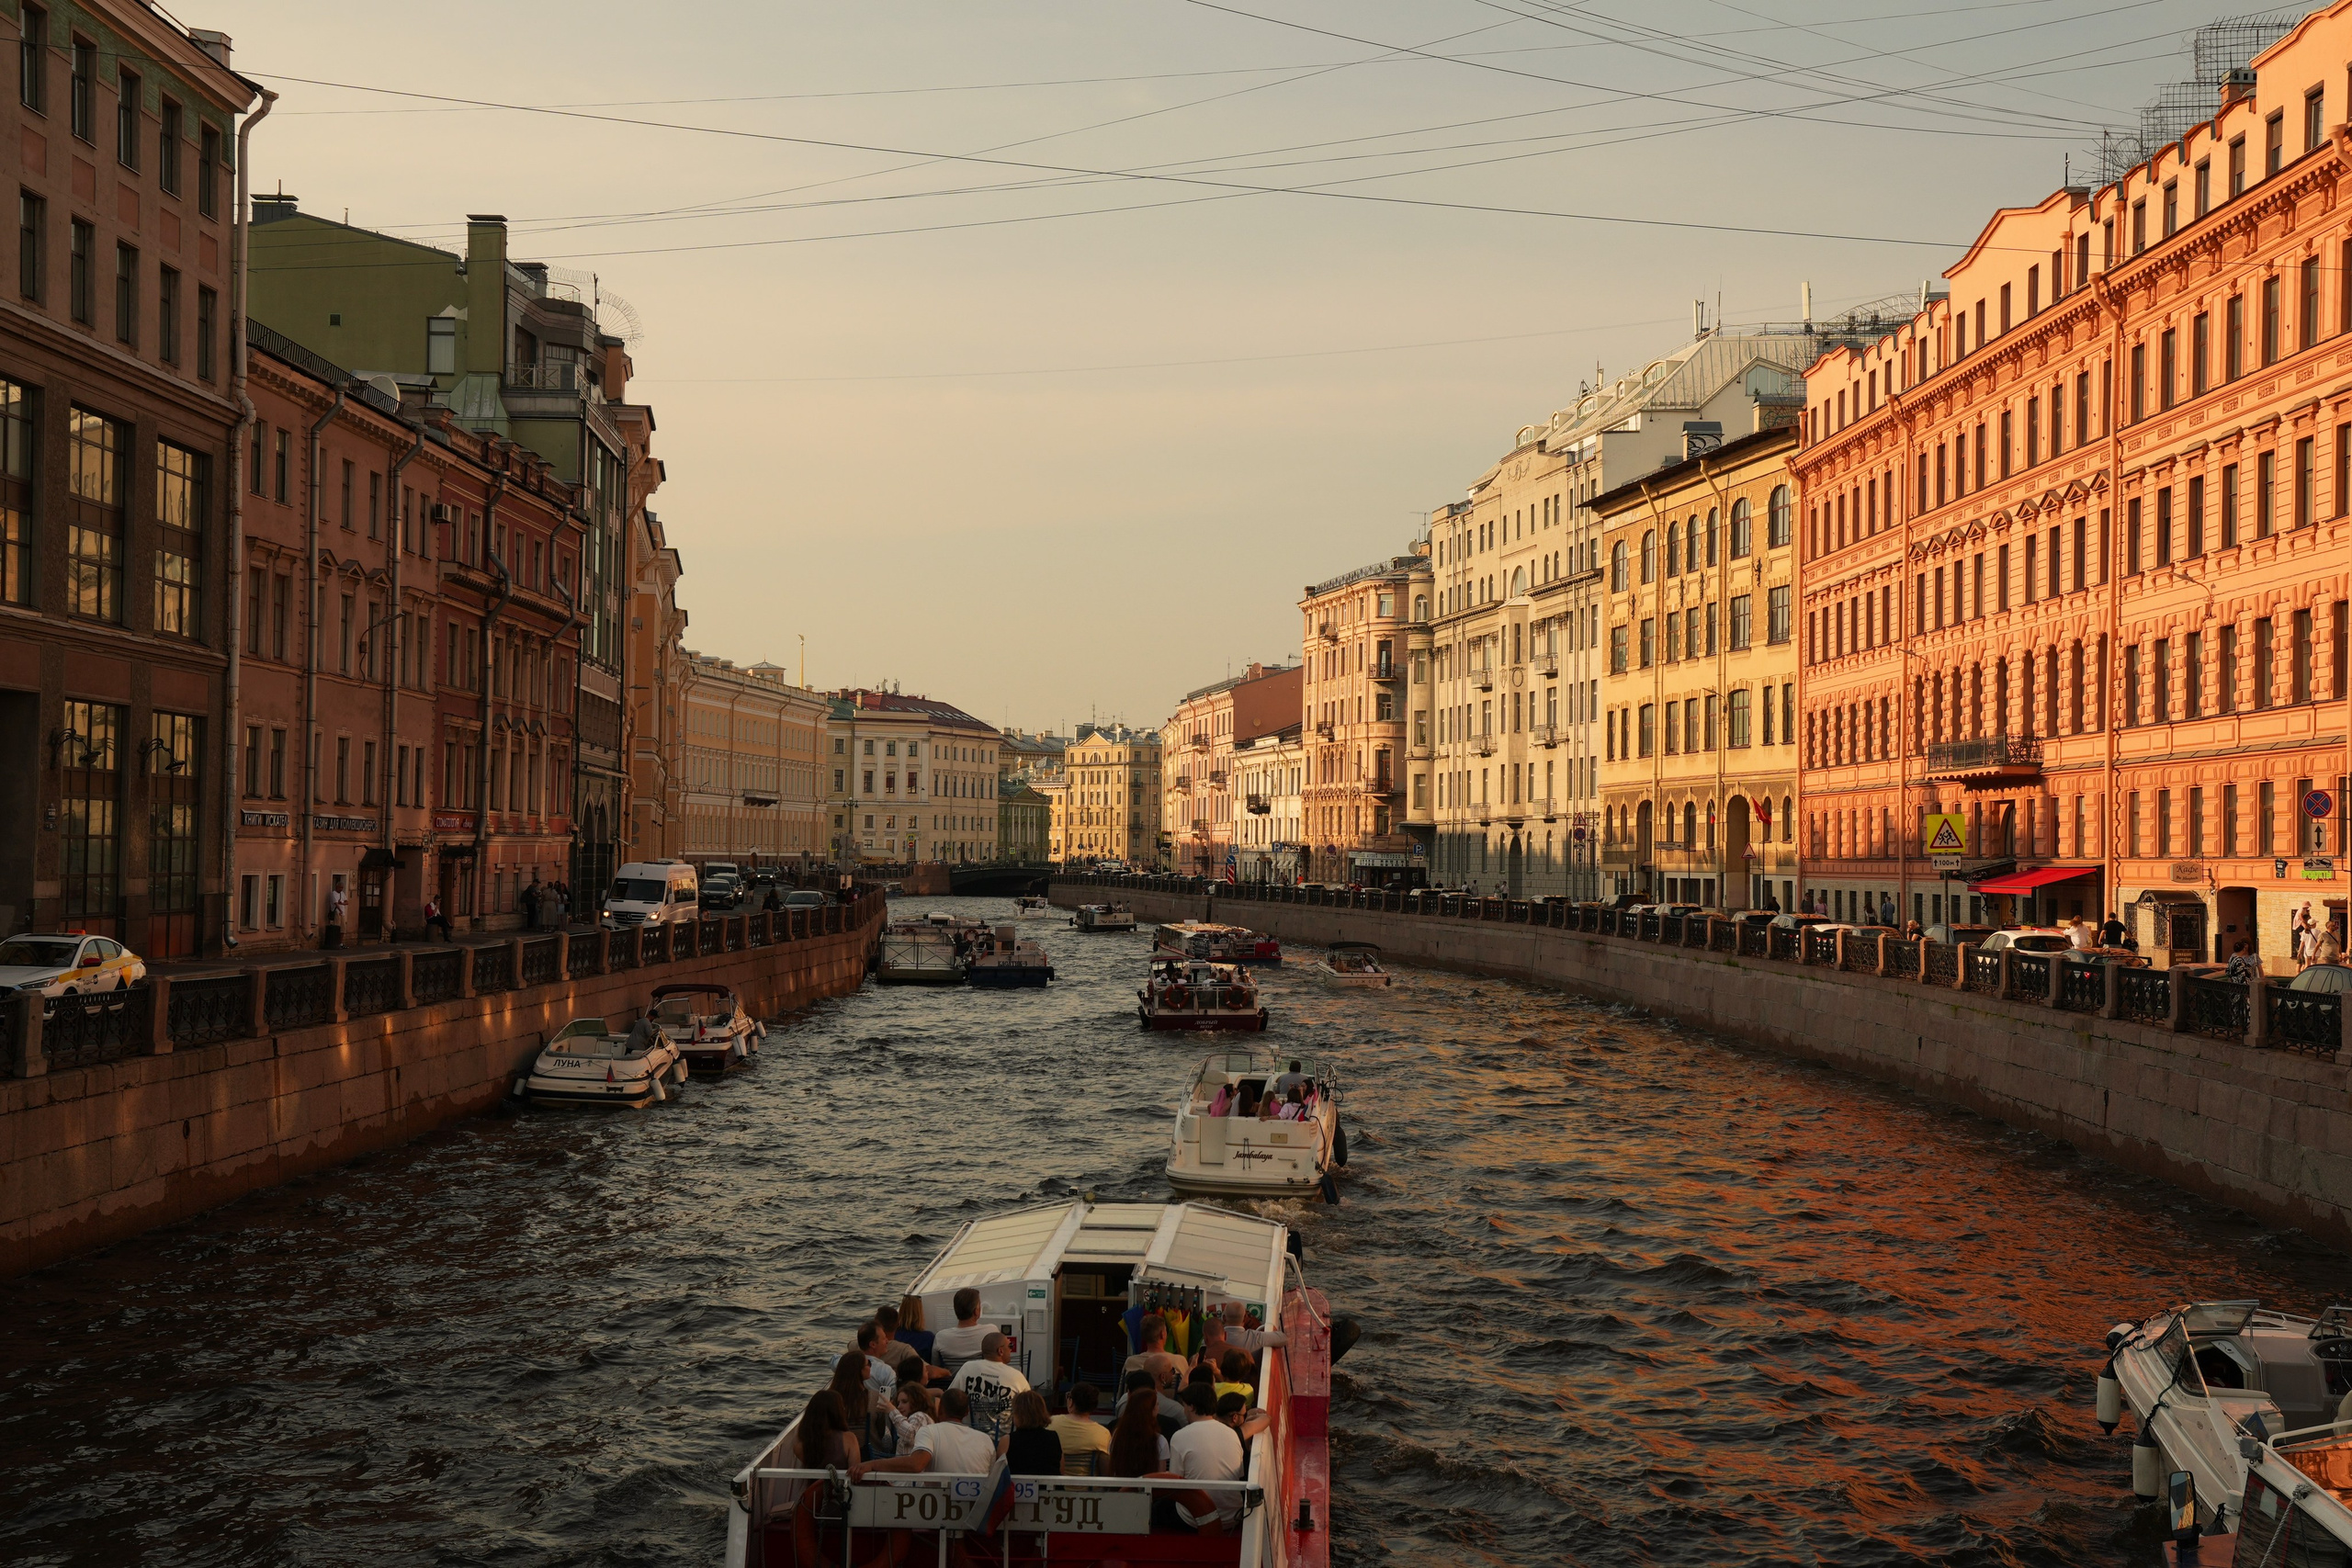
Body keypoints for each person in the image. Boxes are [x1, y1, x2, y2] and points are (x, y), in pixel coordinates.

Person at [1166, 1382, 1260, 1534]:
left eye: (1184, 1406)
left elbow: (1175, 1482)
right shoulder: (1232, 1434)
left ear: (1191, 1407)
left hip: (1194, 1520)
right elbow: (1238, 1475)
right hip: (1233, 1516)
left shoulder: (1179, 1436)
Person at [851, 1388, 995, 1480]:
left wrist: (872, 1464)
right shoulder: (986, 1439)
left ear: (941, 1410)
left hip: (937, 1504)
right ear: (966, 1413)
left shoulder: (928, 1430)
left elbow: (916, 1464)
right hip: (974, 1507)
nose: (900, 1406)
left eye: (904, 1402)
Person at [945, 1331, 1031, 1443]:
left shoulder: (967, 1368)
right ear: (1000, 1351)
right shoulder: (1016, 1376)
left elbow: (949, 1398)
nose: (1011, 1349)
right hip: (1003, 1443)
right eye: (1010, 1346)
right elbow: (1030, 1410)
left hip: (968, 1440)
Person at [1106, 1375, 1172, 1478]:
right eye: (1157, 1405)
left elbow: (1112, 1468)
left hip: (1119, 1490)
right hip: (1148, 1492)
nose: (1159, 1408)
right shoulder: (1160, 1441)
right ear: (1152, 1411)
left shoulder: (1117, 1435)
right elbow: (1159, 1478)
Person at [1049, 1382, 1112, 1477]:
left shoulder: (1051, 1423)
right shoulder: (1103, 1434)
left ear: (1071, 1402)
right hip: (1090, 1490)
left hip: (1055, 1489)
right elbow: (1106, 1472)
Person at [790, 1389, 859, 1472]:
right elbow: (855, 1471)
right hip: (841, 1484)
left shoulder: (800, 1446)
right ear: (837, 1412)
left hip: (814, 1485)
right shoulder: (849, 1439)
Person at [1002, 1390, 1062, 1476]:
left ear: (1019, 1414)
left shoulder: (1007, 1441)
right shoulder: (1053, 1437)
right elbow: (1061, 1469)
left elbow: (999, 1474)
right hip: (1048, 1488)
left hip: (1017, 1489)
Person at [932, 1287, 990, 1371]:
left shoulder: (941, 1337)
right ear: (976, 1311)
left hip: (952, 1382)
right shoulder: (990, 1331)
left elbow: (936, 1366)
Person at [1125, 1316, 1186, 1392]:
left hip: (1139, 1402)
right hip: (1170, 1402)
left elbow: (1123, 1393)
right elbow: (1187, 1391)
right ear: (1162, 1334)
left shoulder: (1131, 1362)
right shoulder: (1179, 1361)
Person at [884, 1379, 935, 1458]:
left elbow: (910, 1435)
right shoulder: (911, 1419)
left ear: (917, 1401)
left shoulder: (919, 1415)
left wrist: (892, 1411)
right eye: (898, 1403)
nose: (899, 1406)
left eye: (904, 1402)